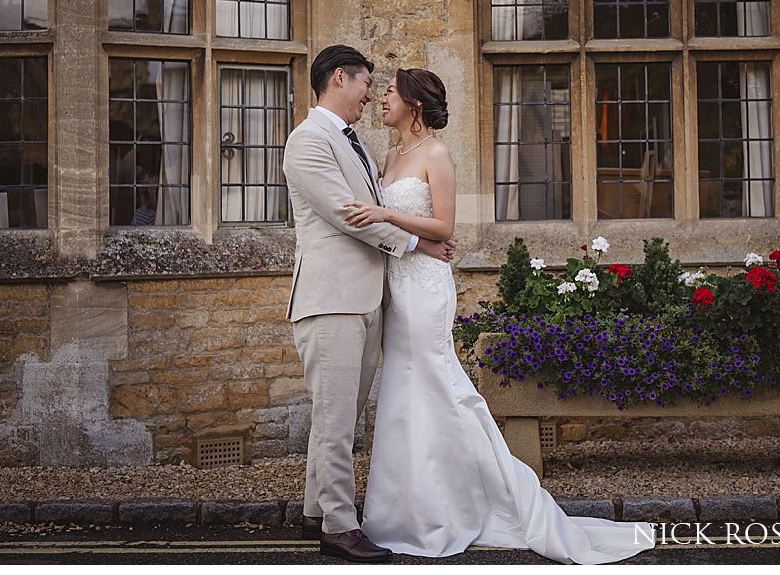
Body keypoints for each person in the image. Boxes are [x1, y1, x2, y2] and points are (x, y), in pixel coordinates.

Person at [346, 68, 656, 564]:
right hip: (397, 286)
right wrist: (418, 238)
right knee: (402, 392)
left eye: (389, 91)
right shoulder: (389, 154)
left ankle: (478, 499)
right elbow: (431, 237)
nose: (382, 96)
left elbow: (445, 222)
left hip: (426, 291)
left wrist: (385, 214)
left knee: (437, 387)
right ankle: (405, 511)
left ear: (414, 102)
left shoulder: (436, 154)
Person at [281, 46, 457, 563]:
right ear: (341, 78)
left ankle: (316, 509)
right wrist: (418, 245)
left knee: (342, 414)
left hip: (367, 299)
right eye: (367, 84)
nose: (371, 95)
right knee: (335, 420)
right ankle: (338, 526)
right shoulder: (308, 140)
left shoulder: (354, 140)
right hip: (330, 298)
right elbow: (345, 215)